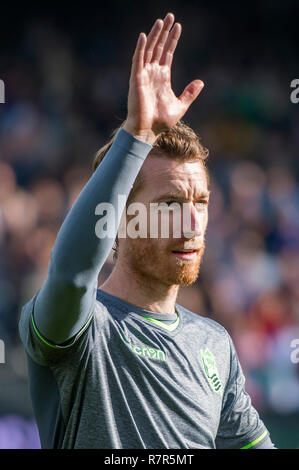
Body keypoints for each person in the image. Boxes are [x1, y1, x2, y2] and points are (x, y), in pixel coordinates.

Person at [19, 13, 276, 449]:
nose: (193, 223)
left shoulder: (214, 343)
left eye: (201, 203)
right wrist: (136, 134)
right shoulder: (83, 326)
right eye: (170, 205)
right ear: (118, 218)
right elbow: (71, 272)